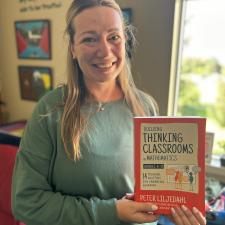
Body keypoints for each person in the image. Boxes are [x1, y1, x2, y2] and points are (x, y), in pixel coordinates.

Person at [12, 0, 206, 225]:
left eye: (113, 37)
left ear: (125, 42)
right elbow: (26, 202)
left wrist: (179, 207)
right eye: (89, 39)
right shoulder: (50, 110)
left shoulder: (145, 107)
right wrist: (111, 212)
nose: (105, 51)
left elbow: (153, 196)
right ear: (73, 48)